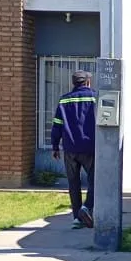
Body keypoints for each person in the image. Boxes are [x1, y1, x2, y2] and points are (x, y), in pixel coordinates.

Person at [51, 70, 97, 229]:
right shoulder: (95, 97)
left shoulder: (63, 100)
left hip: (70, 148)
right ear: (88, 82)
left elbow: (57, 124)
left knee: (73, 183)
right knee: (95, 181)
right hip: (90, 147)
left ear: (74, 83)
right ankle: (87, 208)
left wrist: (55, 146)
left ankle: (77, 218)